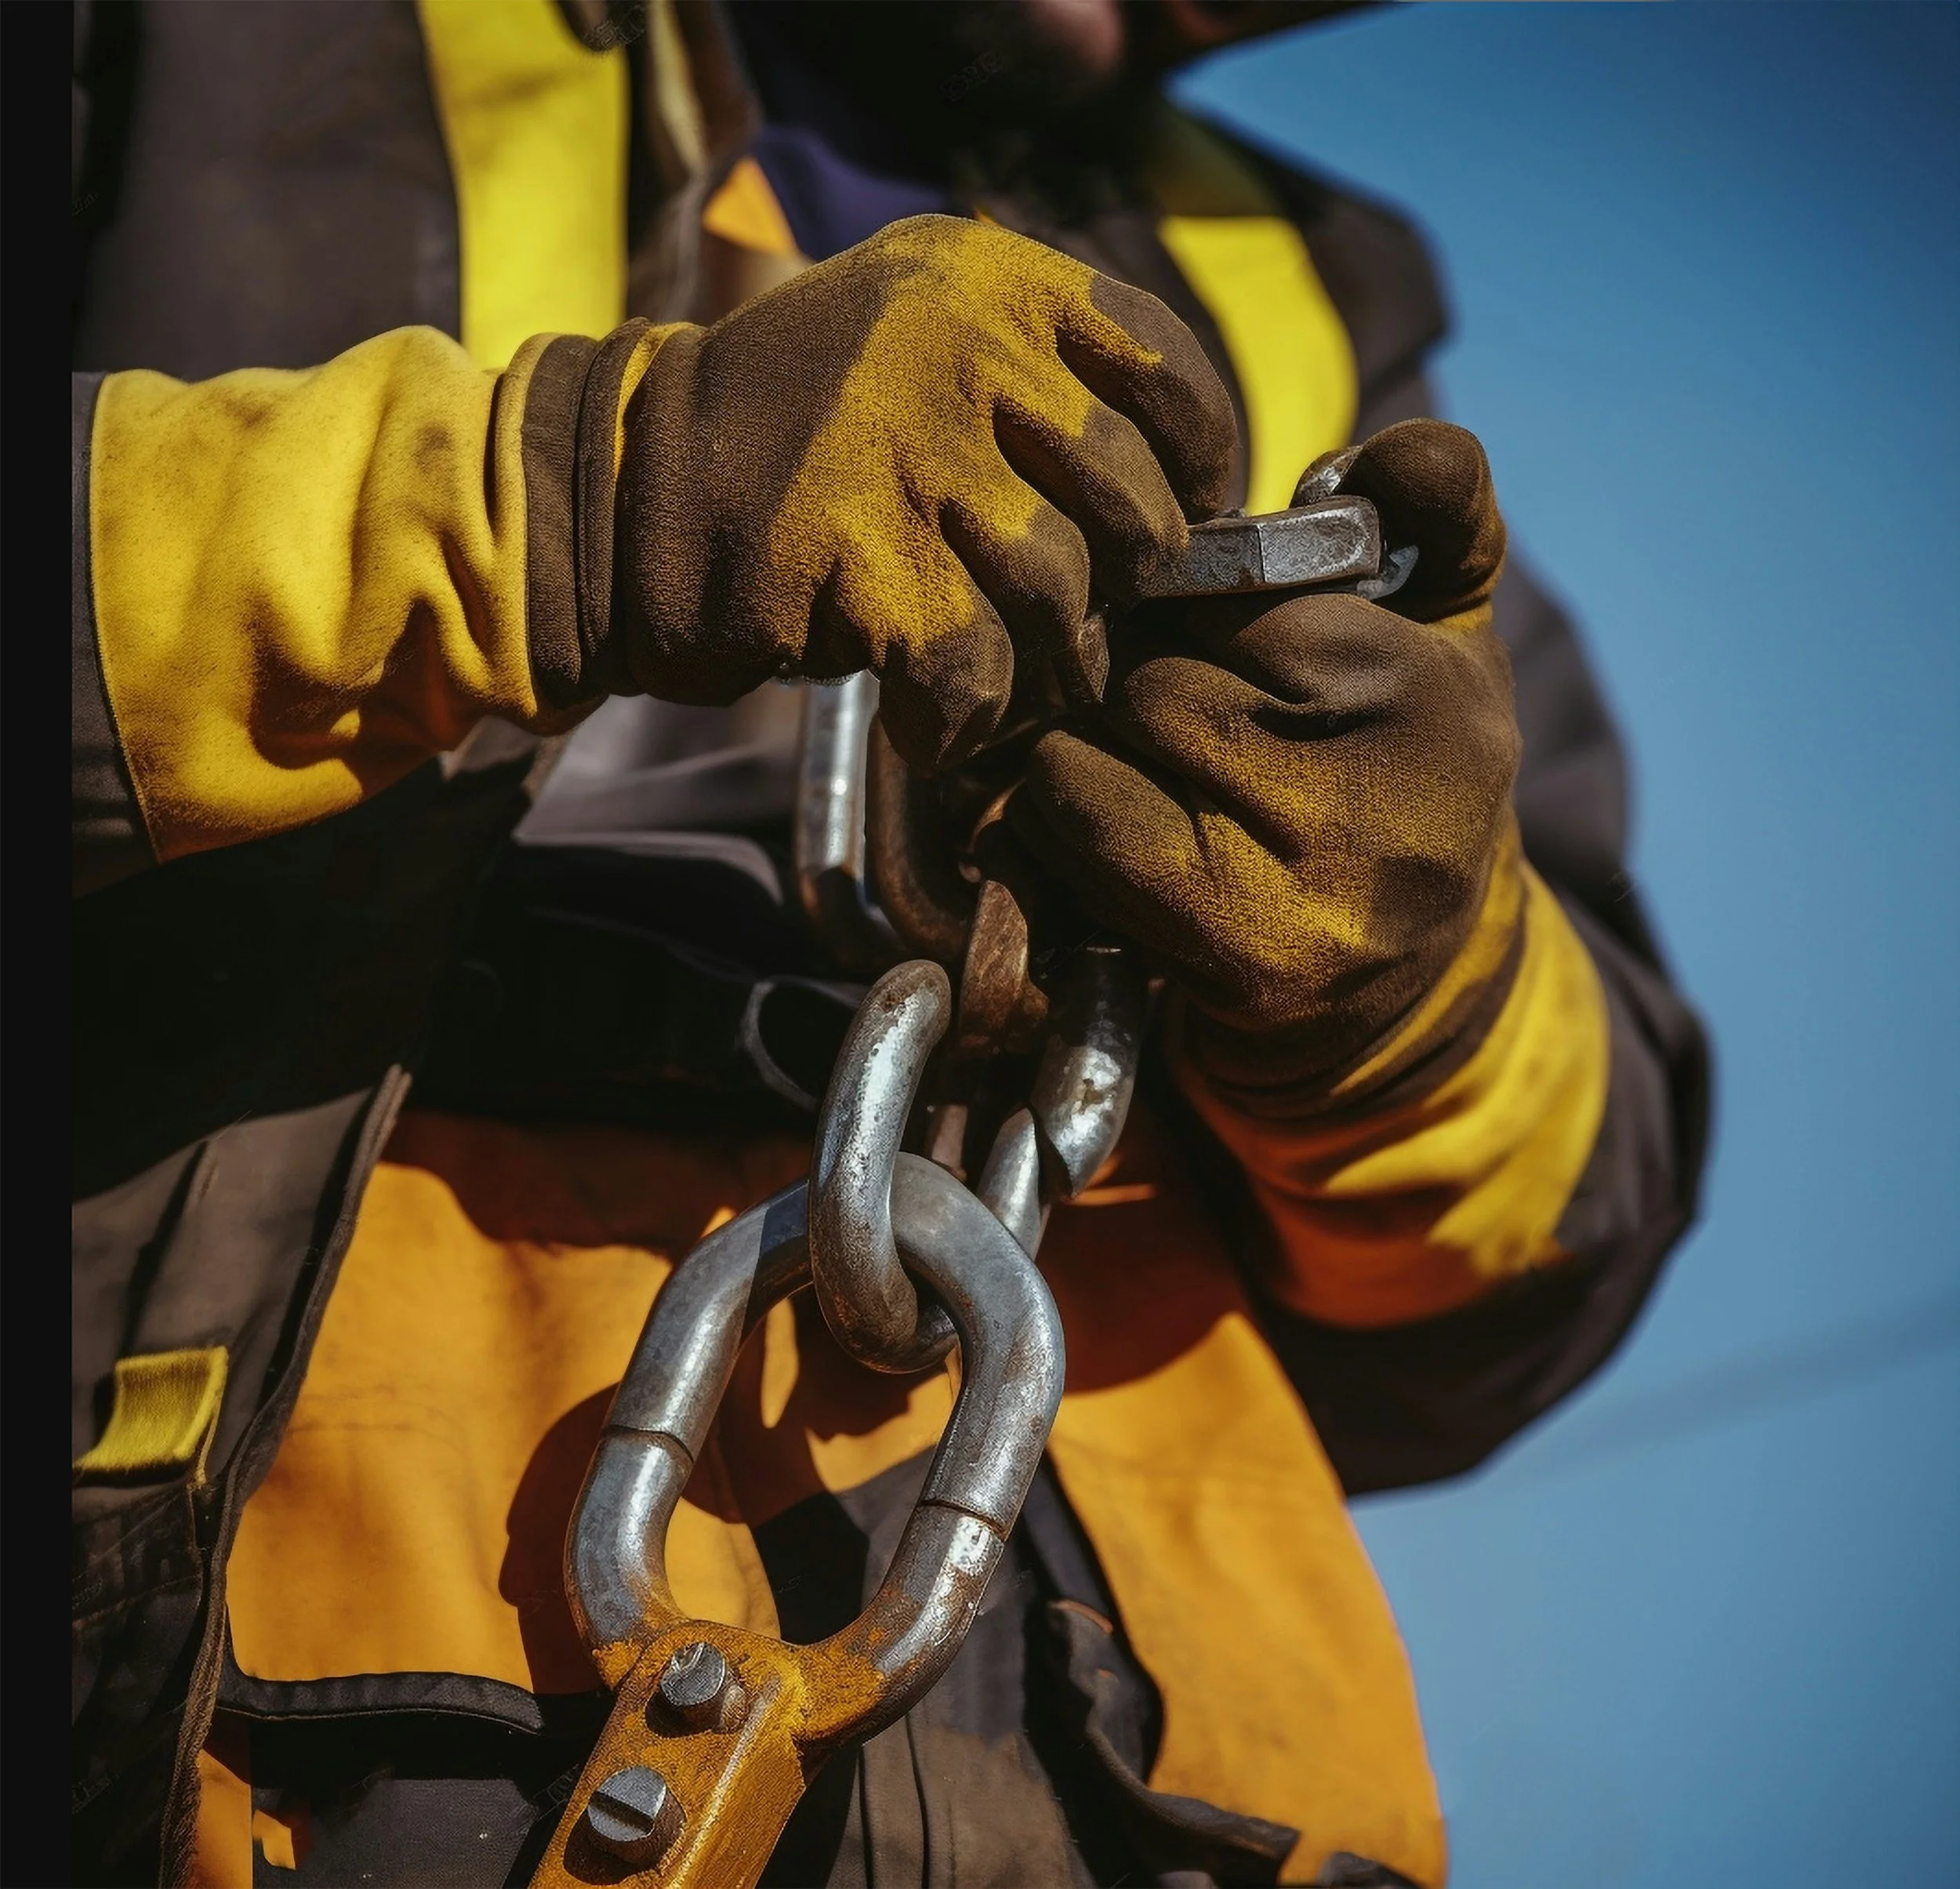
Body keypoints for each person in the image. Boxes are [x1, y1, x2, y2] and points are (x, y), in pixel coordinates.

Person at [71, 2, 1708, 1882]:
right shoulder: (229, 53)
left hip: (1173, 1782)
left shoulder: (1315, 304)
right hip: (293, 1666)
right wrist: (547, 504)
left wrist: (1394, 979)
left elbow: (1545, 1250)